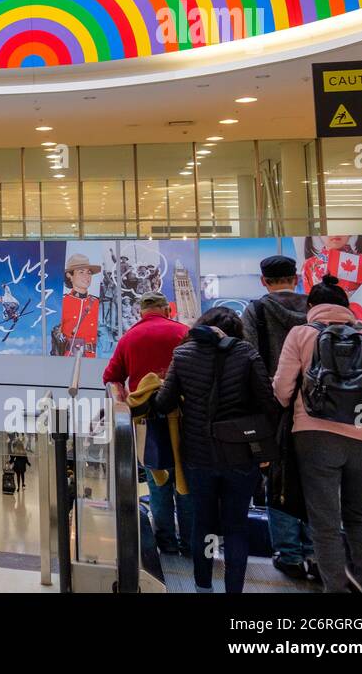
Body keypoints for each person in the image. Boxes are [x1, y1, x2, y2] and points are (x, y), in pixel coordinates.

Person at [273, 275, 362, 593]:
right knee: (360, 517)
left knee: (324, 521)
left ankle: (335, 589)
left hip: (315, 437)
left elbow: (282, 391)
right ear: (347, 308)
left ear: (311, 307)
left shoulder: (301, 333)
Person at [153, 307, 279, 593]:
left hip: (199, 455)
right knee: (236, 526)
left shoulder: (183, 355)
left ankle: (203, 585)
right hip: (241, 455)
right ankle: (234, 589)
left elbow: (163, 403)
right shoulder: (247, 353)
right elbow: (268, 403)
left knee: (204, 522)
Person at [239, 255, 315, 580]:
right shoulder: (316, 308)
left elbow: (249, 360)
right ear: (295, 278)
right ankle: (317, 551)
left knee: (278, 480)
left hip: (274, 408)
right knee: (317, 480)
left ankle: (289, 554)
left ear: (263, 281)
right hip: (319, 408)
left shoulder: (255, 311)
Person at [103, 292, 192, 555]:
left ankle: (166, 543)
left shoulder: (129, 337)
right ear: (166, 309)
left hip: (146, 421)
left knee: (157, 479)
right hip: (185, 417)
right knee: (185, 481)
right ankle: (190, 543)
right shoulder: (182, 332)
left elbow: (110, 378)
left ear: (141, 312)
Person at [55, 253, 101, 357]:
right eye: (81, 272)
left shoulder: (98, 303)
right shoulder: (61, 302)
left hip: (97, 360)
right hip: (69, 359)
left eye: (89, 273)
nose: (87, 276)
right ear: (69, 276)